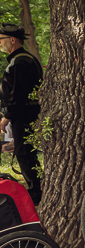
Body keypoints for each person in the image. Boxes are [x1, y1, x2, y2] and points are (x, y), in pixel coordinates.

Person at [0, 23, 42, 204]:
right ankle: (35, 190)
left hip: (23, 115)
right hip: (24, 113)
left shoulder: (20, 62)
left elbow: (17, 95)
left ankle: (35, 194)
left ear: (12, 40)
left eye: (0, 40)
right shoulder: (20, 60)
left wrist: (5, 119)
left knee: (25, 153)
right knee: (24, 151)